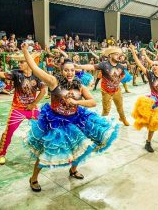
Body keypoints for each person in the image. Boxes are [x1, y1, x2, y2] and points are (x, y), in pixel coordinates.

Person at [20, 43, 119, 192]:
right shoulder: (54, 82)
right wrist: (25, 51)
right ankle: (33, 178)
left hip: (75, 119)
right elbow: (35, 68)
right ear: (61, 70)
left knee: (80, 147)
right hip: (55, 122)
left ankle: (73, 170)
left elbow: (92, 102)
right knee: (46, 153)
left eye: (72, 70)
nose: (70, 73)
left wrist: (77, 102)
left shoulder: (79, 85)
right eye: (66, 70)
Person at [0, 52, 46, 165]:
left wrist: (34, 104)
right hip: (17, 109)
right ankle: (1, 154)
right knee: (9, 132)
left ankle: (43, 150)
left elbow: (43, 91)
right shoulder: (16, 73)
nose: (19, 64)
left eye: (22, 62)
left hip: (31, 108)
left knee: (42, 127)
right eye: (19, 62)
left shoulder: (37, 75)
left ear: (29, 63)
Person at [75, 46, 130, 126]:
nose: (119, 56)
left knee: (120, 106)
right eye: (116, 54)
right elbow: (92, 67)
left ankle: (123, 118)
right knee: (106, 109)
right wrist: (79, 66)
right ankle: (102, 123)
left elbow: (123, 75)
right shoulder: (104, 64)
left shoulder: (120, 66)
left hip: (117, 90)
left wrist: (116, 81)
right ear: (110, 55)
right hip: (106, 91)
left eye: (119, 54)